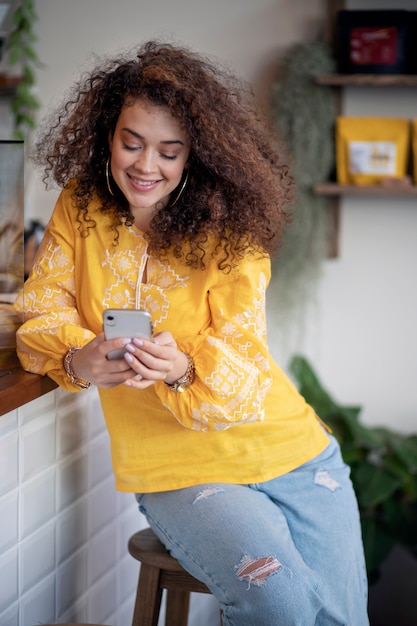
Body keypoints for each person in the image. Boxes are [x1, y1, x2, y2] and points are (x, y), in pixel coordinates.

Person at [14, 40, 369, 625]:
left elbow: (246, 364)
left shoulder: (230, 234)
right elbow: (39, 312)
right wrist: (78, 358)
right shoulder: (82, 208)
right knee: (279, 601)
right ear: (107, 135)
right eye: (131, 143)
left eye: (168, 151)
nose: (145, 165)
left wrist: (182, 369)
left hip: (298, 457)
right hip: (183, 471)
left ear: (194, 157)